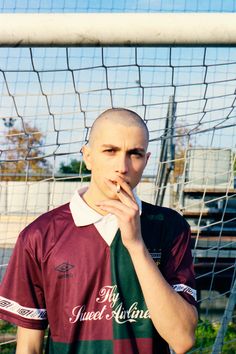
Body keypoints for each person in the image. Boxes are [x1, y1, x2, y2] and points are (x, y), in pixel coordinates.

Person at [0, 108, 198, 354]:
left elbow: (182, 340)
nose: (122, 167)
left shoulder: (169, 227)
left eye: (134, 154)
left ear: (146, 161)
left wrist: (136, 245)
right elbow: (28, 346)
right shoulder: (40, 235)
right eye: (110, 151)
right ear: (88, 156)